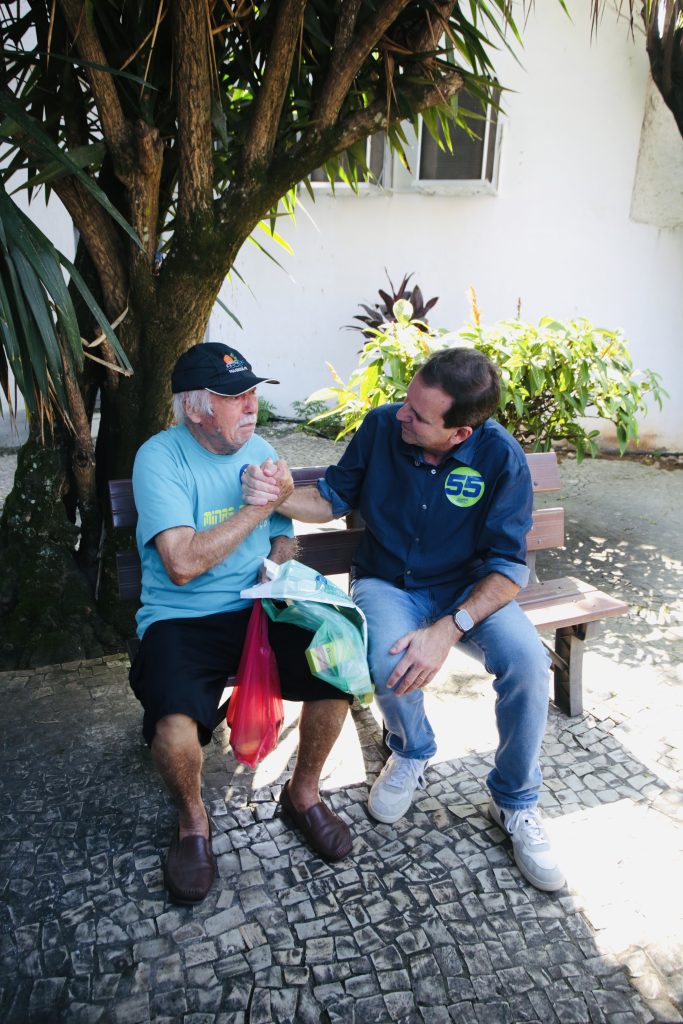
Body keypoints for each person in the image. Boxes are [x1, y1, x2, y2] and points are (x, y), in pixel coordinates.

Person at [241, 347, 565, 893]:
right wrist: (282, 496)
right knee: (386, 656)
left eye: (418, 415)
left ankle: (515, 801)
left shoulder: (501, 458)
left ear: (459, 433)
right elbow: (331, 499)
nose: (402, 417)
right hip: (389, 581)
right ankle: (411, 749)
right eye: (407, 401)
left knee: (530, 665)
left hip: (471, 589)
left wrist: (449, 628)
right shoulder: (382, 426)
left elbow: (509, 569)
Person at [129, 342, 353, 906]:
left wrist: (277, 561)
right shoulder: (160, 458)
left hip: (261, 604)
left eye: (253, 392)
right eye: (235, 397)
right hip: (183, 618)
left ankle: (303, 795)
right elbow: (180, 564)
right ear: (197, 408)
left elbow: (285, 532)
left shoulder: (260, 447)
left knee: (337, 672)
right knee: (175, 729)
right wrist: (254, 509)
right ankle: (193, 824)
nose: (251, 405)